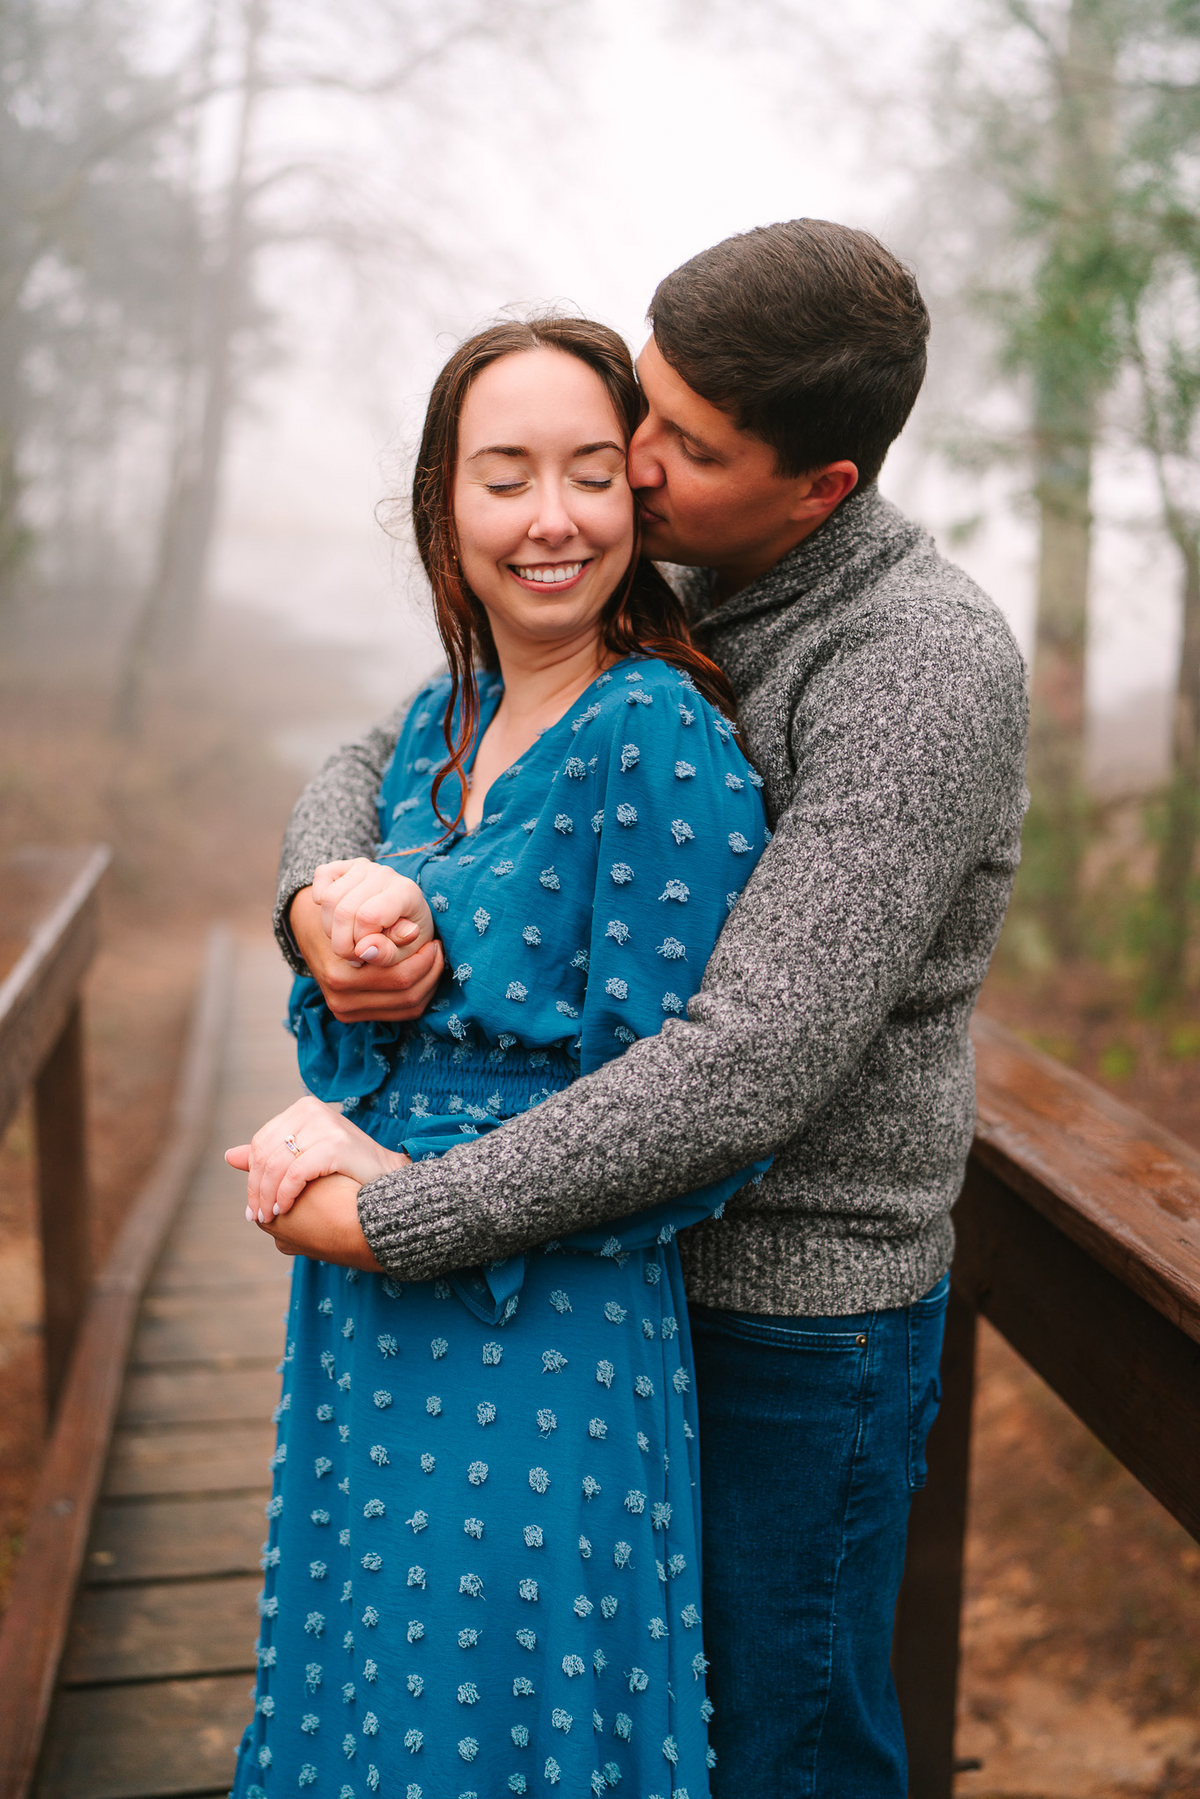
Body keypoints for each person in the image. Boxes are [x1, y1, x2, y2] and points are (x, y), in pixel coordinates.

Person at [262, 220, 1029, 1798]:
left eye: (681, 441)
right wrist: (317, 895)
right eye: (647, 414)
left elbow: (750, 1058)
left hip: (789, 1308)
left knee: (777, 1744)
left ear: (822, 485)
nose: (639, 465)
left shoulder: (916, 663)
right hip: (596, 1276)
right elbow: (401, 742)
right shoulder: (668, 557)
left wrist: (408, 1217)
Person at [225, 315, 775, 1798]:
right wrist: (337, 951)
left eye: (594, 474)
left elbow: (679, 1117)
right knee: (370, 1698)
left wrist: (392, 1178)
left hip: (544, 1334)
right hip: (364, 1328)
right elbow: (358, 1040)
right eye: (505, 475)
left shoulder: (655, 736)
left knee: (500, 1734)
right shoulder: (438, 724)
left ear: (637, 503)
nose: (552, 518)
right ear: (441, 506)